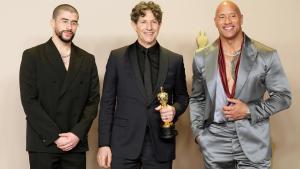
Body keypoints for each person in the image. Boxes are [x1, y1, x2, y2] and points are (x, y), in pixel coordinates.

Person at [189, 1, 291, 168]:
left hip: (254, 139)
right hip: (214, 140)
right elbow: (197, 98)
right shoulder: (201, 57)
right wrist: (198, 134)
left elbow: (284, 97)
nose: (227, 21)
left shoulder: (266, 55)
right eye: (222, 17)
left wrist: (249, 110)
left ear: (241, 18)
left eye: (232, 16)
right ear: (215, 21)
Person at [97, 1, 189, 169]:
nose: (149, 27)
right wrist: (104, 144)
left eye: (154, 21)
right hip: (123, 144)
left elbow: (182, 97)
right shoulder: (117, 57)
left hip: (160, 143)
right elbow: (107, 103)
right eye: (143, 21)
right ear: (134, 25)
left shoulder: (175, 60)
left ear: (160, 25)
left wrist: (174, 109)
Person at [19, 4, 100, 169]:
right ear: (52, 23)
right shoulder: (32, 56)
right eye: (64, 21)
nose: (69, 27)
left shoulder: (87, 59)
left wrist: (77, 134)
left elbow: (93, 102)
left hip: (75, 144)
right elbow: (29, 101)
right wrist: (55, 136)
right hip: (43, 143)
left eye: (74, 22)